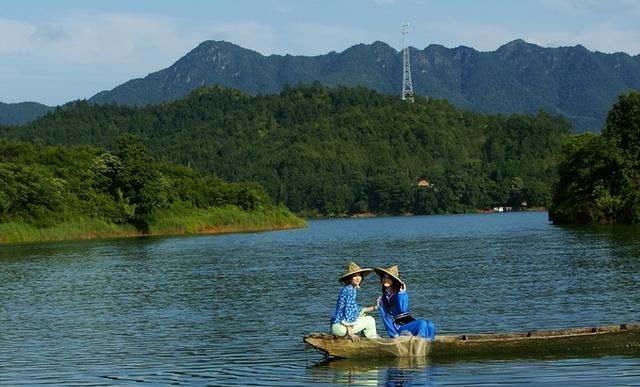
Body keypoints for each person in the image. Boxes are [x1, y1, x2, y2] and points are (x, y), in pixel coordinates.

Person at [374, 265, 436, 340]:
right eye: (384, 277)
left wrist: (401, 294)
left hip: (409, 322)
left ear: (393, 280)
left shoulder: (400, 293)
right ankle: (420, 344)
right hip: (398, 327)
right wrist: (394, 335)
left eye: (389, 278)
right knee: (422, 324)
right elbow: (386, 319)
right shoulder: (382, 300)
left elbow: (403, 309)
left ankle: (430, 345)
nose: (386, 280)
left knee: (430, 325)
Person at [330, 261, 379, 341]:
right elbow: (347, 311)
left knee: (364, 317)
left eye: (359, 276)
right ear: (350, 278)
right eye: (355, 276)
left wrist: (375, 307)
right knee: (370, 320)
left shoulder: (346, 289)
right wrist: (351, 333)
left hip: (336, 327)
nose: (358, 278)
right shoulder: (351, 290)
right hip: (341, 328)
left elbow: (356, 309)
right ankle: (373, 342)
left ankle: (366, 340)